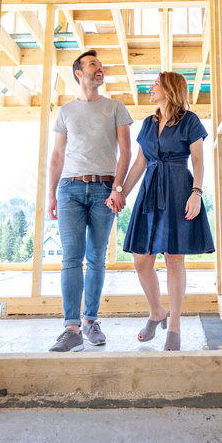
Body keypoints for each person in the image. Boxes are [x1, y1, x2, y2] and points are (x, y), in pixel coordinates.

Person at [116, 71, 214, 351]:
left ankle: (175, 326)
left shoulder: (189, 121)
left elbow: (198, 161)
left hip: (179, 190)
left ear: (169, 90)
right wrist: (120, 191)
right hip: (149, 192)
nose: (151, 87)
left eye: (156, 84)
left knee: (174, 259)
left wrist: (196, 193)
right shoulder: (148, 123)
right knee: (141, 260)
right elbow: (139, 164)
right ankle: (157, 311)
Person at [47, 50, 133, 352]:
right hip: (69, 189)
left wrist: (118, 188)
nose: (100, 68)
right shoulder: (66, 111)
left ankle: (90, 321)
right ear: (79, 74)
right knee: (71, 257)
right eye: (93, 65)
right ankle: (71, 329)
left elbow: (126, 151)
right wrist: (51, 194)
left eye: (100, 64)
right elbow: (57, 155)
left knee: (96, 257)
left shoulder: (115, 107)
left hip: (104, 189)